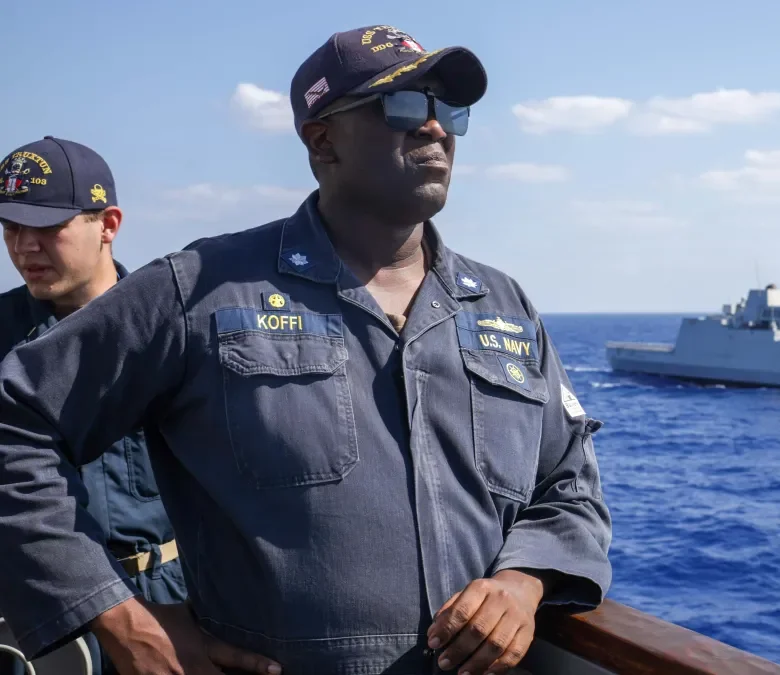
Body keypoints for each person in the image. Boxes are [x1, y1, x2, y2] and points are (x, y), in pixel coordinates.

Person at [0, 24, 612, 675]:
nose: (435, 128)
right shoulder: (199, 290)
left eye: (448, 109)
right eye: (404, 105)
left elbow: (568, 483)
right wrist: (120, 616)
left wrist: (523, 580)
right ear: (322, 140)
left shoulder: (503, 306)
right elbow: (16, 423)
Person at [0, 137, 189, 674]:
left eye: (46, 227)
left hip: (172, 606)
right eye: (10, 227)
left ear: (107, 224)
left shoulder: (174, 331)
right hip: (33, 625)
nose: (24, 246)